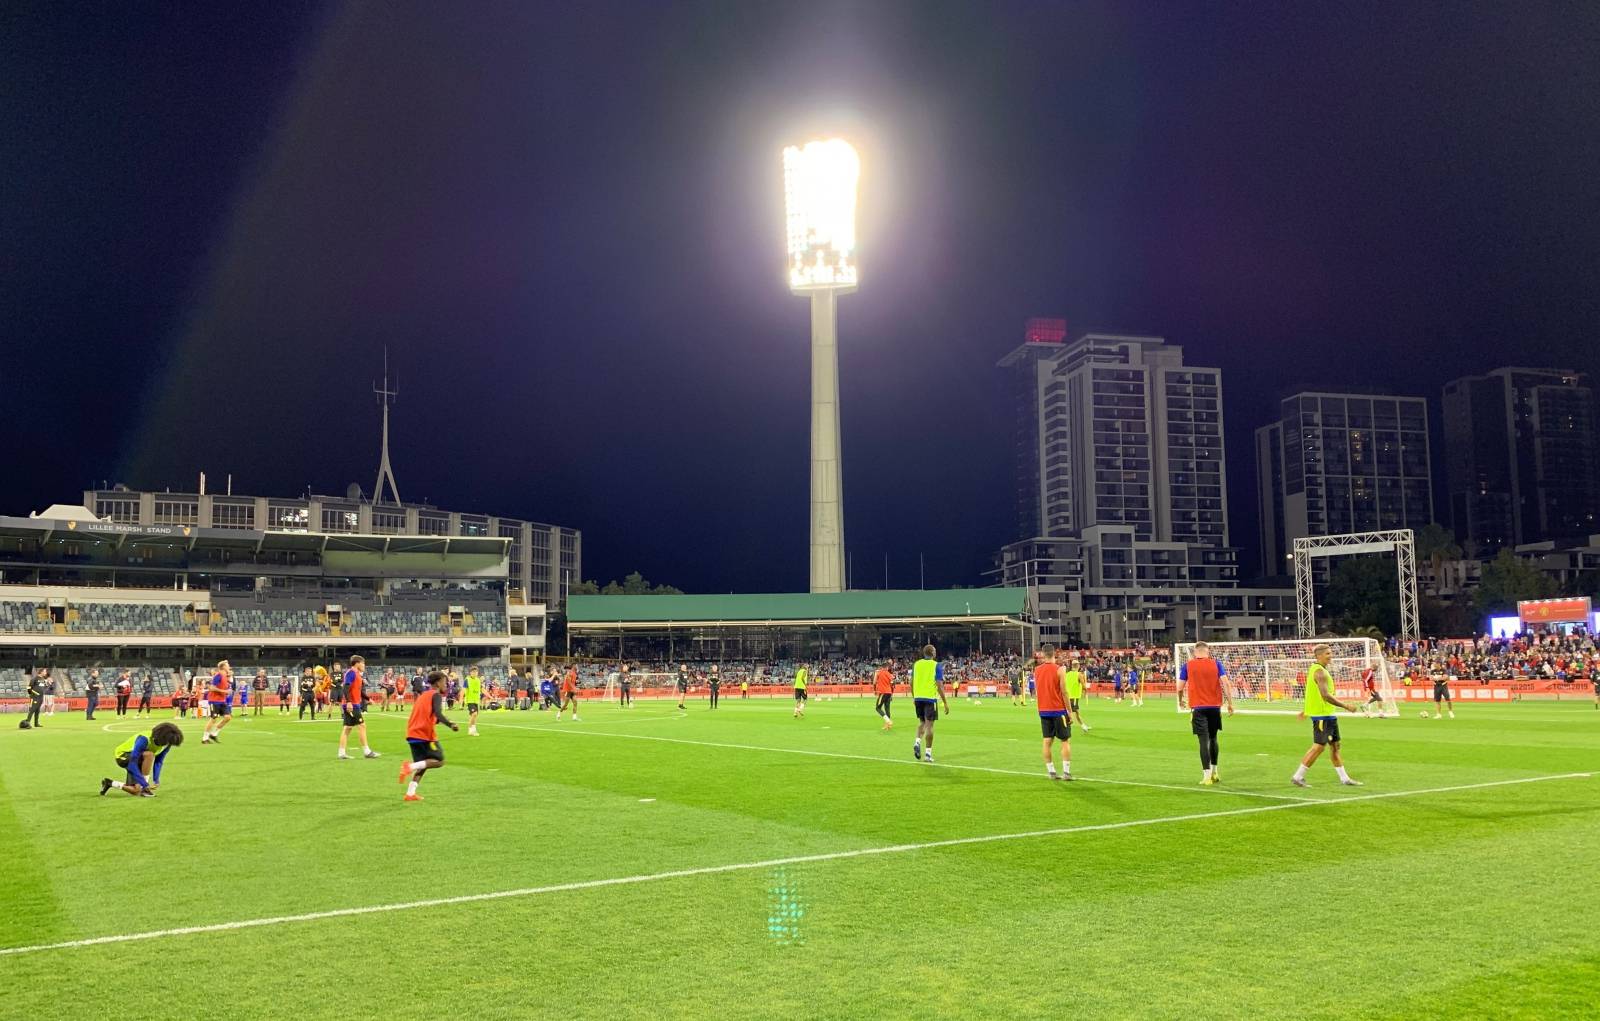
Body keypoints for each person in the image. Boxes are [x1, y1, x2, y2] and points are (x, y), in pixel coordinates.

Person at [1291, 644, 1363, 788]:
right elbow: (1324, 695)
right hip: (1322, 716)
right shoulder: (1320, 672)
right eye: (1327, 654)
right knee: (1318, 747)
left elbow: (1312, 694)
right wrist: (1346, 706)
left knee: (1335, 746)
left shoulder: (1318, 670)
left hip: (1328, 715)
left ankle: (1344, 778)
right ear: (1319, 656)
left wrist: (1305, 710)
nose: (1331, 656)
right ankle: (1298, 776)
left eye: (1331, 653)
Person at [1177, 641, 1233, 785]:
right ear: (1207, 651)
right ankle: (1215, 772)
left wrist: (1180, 700)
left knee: (1203, 741)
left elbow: (1180, 687)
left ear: (1196, 652)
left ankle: (1206, 776)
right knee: (1213, 739)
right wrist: (1230, 704)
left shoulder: (1188, 665)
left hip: (1198, 707)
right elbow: (1226, 683)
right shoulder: (1216, 664)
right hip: (1214, 707)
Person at [398, 670, 459, 802]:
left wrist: (437, 721)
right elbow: (438, 713)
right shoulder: (435, 695)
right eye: (444, 682)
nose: (446, 685)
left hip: (412, 733)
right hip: (423, 734)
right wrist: (450, 724)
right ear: (437, 683)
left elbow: (430, 715)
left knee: (423, 764)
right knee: (439, 760)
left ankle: (410, 793)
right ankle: (409, 767)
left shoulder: (424, 696)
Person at [100, 721, 185, 798]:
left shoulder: (167, 743)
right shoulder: (144, 739)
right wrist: (144, 784)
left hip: (139, 759)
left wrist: (156, 779)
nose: (168, 744)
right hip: (123, 756)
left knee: (136, 791)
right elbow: (132, 764)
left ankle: (109, 783)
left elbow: (159, 761)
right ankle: (145, 789)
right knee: (149, 755)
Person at [1034, 647, 1073, 781]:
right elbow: (1064, 692)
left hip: (1043, 710)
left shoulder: (1037, 670)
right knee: (1065, 740)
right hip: (1058, 710)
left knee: (1047, 741)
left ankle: (1051, 772)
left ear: (1043, 654)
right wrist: (1069, 711)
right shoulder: (1060, 669)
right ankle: (1066, 773)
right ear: (1054, 654)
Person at [910, 645, 950, 763]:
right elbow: (939, 685)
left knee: (922, 722)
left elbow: (911, 683)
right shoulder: (936, 665)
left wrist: (914, 697)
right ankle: (928, 755)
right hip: (930, 699)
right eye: (935, 651)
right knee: (930, 726)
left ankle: (917, 742)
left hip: (918, 698)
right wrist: (945, 702)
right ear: (932, 652)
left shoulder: (916, 664)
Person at [338, 655, 380, 760]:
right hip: (352, 705)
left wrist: (368, 698)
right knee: (362, 726)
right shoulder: (351, 673)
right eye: (363, 663)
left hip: (353, 703)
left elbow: (359, 690)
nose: (364, 665)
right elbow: (345, 688)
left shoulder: (357, 674)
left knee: (347, 728)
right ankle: (367, 751)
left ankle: (341, 752)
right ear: (357, 663)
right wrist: (348, 702)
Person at [201, 660, 234, 744]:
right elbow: (211, 688)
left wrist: (230, 678)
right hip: (214, 700)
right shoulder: (218, 675)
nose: (229, 666)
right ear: (223, 667)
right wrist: (224, 691)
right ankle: (204, 738)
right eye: (227, 665)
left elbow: (229, 684)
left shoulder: (225, 675)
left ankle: (214, 734)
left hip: (222, 700)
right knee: (214, 718)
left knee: (228, 717)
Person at [1063, 657, 1090, 732]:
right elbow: (1084, 686)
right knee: (1075, 712)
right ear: (1078, 666)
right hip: (1074, 696)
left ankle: (1083, 725)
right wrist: (1086, 688)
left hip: (1067, 696)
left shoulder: (1067, 674)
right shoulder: (1079, 675)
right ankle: (1082, 726)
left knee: (1069, 712)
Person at [461, 666, 484, 735]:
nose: (475, 673)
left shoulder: (478, 680)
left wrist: (490, 696)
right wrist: (461, 699)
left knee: (474, 715)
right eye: (473, 672)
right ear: (470, 673)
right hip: (469, 700)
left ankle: (474, 729)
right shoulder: (467, 680)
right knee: (474, 714)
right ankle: (470, 729)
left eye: (476, 672)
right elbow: (463, 690)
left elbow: (481, 689)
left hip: (476, 701)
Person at [872, 661, 895, 730]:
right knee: (887, 708)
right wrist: (891, 694)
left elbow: (874, 682)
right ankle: (888, 725)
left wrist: (875, 690)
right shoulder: (889, 674)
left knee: (878, 708)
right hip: (889, 693)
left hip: (882, 692)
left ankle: (888, 721)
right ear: (887, 667)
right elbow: (892, 684)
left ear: (882, 667)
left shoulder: (878, 672)